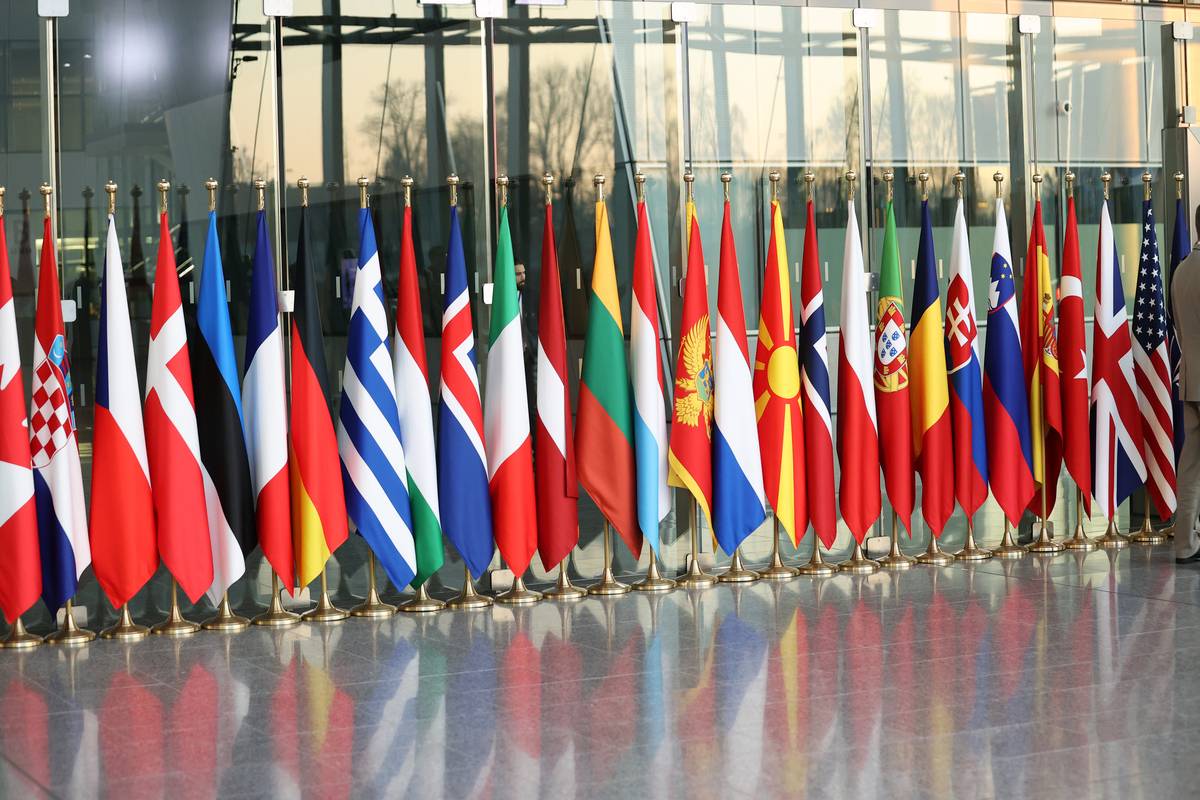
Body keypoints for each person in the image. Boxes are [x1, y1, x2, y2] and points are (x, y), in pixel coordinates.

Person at [1173, 203, 1200, 563]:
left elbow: (1180, 327)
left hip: (1191, 379)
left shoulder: (1181, 270)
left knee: (1191, 462)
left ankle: (1185, 544)